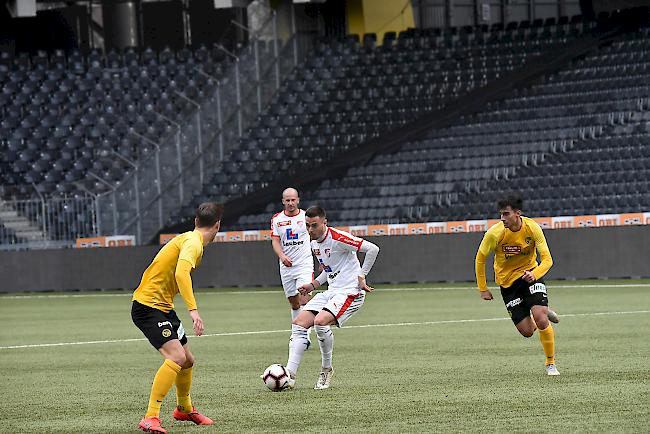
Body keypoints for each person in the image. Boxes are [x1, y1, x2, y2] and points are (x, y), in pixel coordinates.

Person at [132, 202, 223, 433]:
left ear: (195, 222)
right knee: (176, 357)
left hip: (163, 307)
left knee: (188, 360)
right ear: (217, 225)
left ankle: (184, 408)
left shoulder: (188, 238)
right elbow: (181, 273)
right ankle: (150, 416)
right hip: (147, 307)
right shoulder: (194, 243)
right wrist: (193, 310)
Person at [285, 206, 380, 389]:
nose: (310, 230)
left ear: (324, 223)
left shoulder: (338, 238)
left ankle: (326, 369)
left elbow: (372, 249)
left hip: (350, 292)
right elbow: (329, 272)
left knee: (320, 321)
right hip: (332, 291)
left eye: (314, 225)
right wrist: (313, 285)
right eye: (307, 226)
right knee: (299, 323)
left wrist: (361, 275)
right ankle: (289, 374)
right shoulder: (314, 243)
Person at [475, 195, 560, 376]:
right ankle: (537, 311)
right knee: (527, 332)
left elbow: (547, 259)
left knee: (541, 319)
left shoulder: (532, 228)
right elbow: (480, 259)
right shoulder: (494, 234)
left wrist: (535, 274)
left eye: (506, 214)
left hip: (530, 276)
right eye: (501, 215)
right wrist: (483, 288)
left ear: (517, 214)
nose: (502, 218)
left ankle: (550, 363)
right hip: (508, 284)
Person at [270, 188, 315, 345]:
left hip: (304, 264)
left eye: (293, 200)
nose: (290, 203)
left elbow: (315, 235)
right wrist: (282, 256)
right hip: (286, 266)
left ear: (298, 200)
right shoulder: (276, 219)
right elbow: (275, 241)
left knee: (304, 299)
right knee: (294, 302)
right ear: (283, 201)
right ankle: (299, 332)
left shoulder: (305, 217)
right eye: (287, 200)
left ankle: (302, 335)